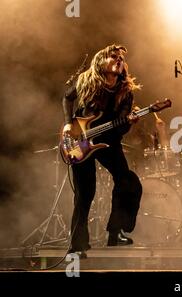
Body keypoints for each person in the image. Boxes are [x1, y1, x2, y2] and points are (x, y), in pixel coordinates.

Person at [62, 44, 143, 257]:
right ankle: (77, 246)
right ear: (100, 61)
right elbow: (67, 97)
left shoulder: (125, 93)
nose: (118, 60)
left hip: (108, 141)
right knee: (84, 194)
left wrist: (130, 122)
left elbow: (122, 128)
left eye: (121, 58)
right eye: (113, 56)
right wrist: (68, 124)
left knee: (128, 181)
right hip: (81, 141)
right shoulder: (85, 81)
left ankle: (115, 233)